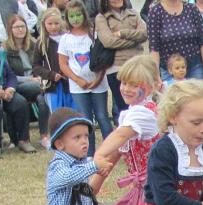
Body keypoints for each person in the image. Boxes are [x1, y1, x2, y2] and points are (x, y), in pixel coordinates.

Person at [89, 54, 162, 205]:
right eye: (124, 82)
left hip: (153, 189)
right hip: (143, 189)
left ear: (153, 85)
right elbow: (115, 156)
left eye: (134, 84)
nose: (126, 89)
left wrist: (98, 155)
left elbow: (120, 136)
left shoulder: (143, 113)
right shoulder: (133, 112)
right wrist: (91, 190)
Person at [58, 0, 113, 156]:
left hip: (98, 84)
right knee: (85, 119)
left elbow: (103, 59)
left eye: (78, 15)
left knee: (102, 116)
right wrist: (78, 80)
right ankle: (89, 153)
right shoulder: (65, 39)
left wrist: (98, 78)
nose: (75, 19)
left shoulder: (93, 34)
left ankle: (111, 150)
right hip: (78, 87)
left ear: (84, 15)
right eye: (72, 16)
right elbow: (63, 64)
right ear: (67, 18)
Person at [0, 26, 36, 159]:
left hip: (4, 91)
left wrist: (10, 89)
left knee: (20, 103)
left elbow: (11, 75)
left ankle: (23, 140)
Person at [95, 0, 148, 125]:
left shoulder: (134, 13)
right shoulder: (101, 18)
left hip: (137, 66)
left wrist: (123, 33)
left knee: (142, 106)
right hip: (116, 68)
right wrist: (134, 40)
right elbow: (108, 42)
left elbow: (144, 34)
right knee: (125, 108)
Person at [4, 15, 51, 148]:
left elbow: (41, 65)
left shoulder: (34, 44)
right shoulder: (5, 49)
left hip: (36, 83)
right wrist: (30, 79)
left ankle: (44, 136)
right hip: (16, 85)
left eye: (22, 26)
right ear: (10, 30)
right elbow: (8, 75)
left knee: (43, 99)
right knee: (44, 89)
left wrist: (38, 77)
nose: (20, 29)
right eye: (17, 27)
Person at [146, 0, 203, 84]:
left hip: (195, 67)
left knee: (197, 95)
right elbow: (154, 48)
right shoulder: (155, 12)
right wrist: (156, 75)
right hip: (169, 71)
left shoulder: (192, 9)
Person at [32, 8, 76, 113]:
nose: (53, 27)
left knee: (73, 112)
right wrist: (51, 75)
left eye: (56, 23)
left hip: (71, 82)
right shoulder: (42, 42)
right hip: (53, 86)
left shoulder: (68, 38)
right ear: (44, 24)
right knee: (57, 114)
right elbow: (36, 66)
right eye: (50, 24)